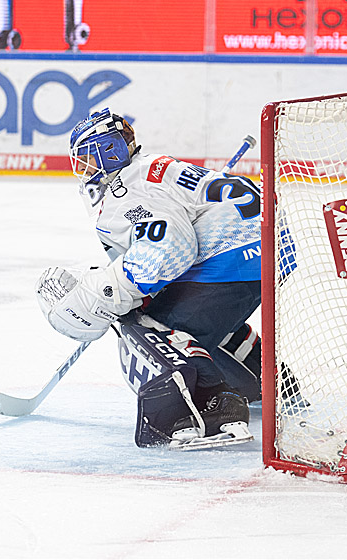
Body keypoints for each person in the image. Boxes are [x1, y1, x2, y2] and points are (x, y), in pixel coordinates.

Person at [35, 110, 263, 449]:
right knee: (193, 311)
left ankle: (215, 409)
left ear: (110, 152)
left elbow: (172, 245)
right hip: (270, 249)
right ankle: (263, 378)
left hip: (232, 256)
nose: (84, 169)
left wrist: (118, 289)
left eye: (87, 158)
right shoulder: (152, 168)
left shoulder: (127, 188)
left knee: (152, 324)